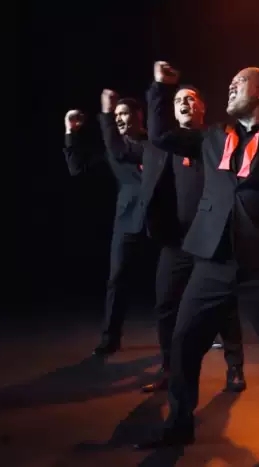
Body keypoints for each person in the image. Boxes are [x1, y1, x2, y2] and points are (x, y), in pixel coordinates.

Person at [134, 63, 259, 453]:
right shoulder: (211, 137)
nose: (231, 87)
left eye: (240, 82)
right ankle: (179, 424)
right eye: (230, 82)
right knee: (184, 342)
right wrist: (161, 88)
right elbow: (160, 135)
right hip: (211, 261)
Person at [96, 87, 246, 393]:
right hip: (176, 241)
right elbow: (120, 151)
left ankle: (235, 366)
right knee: (165, 305)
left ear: (202, 107)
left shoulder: (213, 140)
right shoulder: (159, 145)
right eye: (178, 100)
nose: (183, 103)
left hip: (210, 240)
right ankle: (169, 368)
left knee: (223, 307)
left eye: (190, 98)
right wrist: (108, 116)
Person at [63, 96, 152, 357]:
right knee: (117, 279)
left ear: (139, 115)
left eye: (124, 113)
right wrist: (71, 132)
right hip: (127, 220)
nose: (119, 119)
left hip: (159, 218)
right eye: (116, 116)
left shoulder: (154, 142)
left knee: (181, 276)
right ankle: (110, 338)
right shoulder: (113, 148)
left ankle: (205, 331)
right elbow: (76, 168)